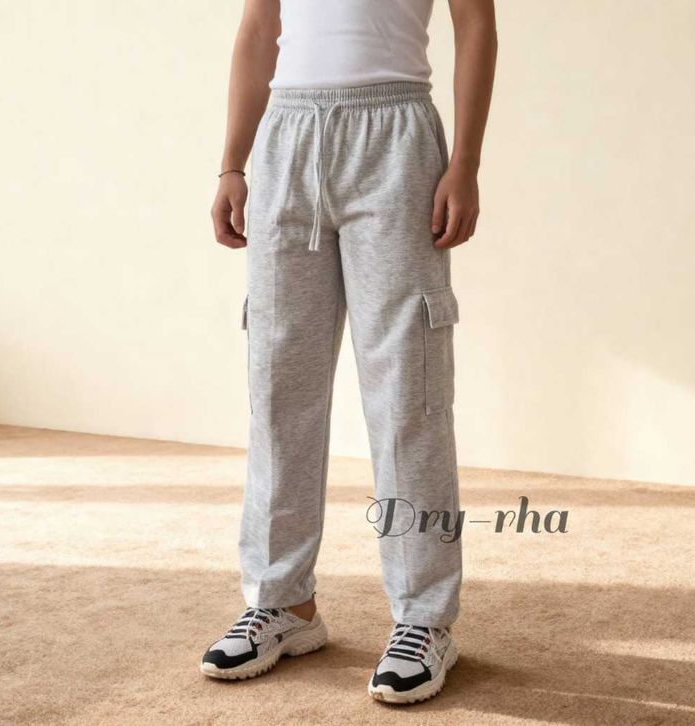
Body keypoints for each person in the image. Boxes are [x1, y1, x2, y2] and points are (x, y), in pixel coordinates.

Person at [201, 0, 497, 704]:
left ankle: (425, 616)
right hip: (285, 137)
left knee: (408, 392)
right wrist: (231, 164)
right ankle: (283, 602)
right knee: (279, 387)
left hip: (396, 136)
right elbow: (258, 28)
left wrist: (465, 162)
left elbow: (476, 22)